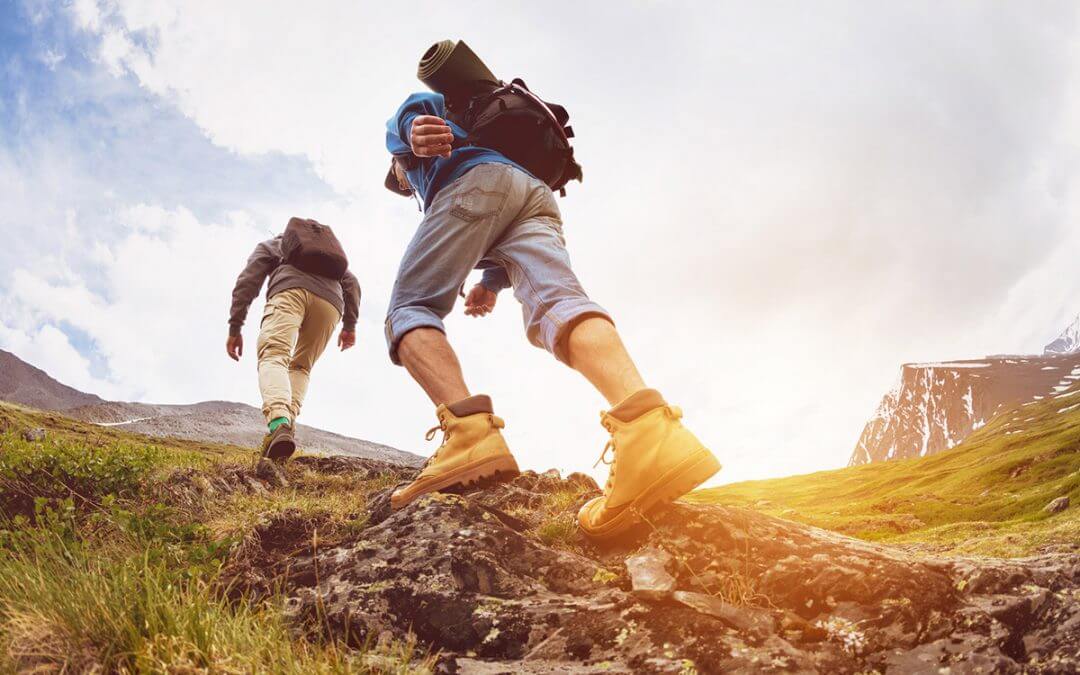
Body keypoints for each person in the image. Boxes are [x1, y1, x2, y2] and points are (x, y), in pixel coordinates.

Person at [383, 92, 721, 541]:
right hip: (534, 195)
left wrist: (411, 130)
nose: (402, 183)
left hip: (474, 183)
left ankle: (470, 436)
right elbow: (498, 218)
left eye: (398, 179)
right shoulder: (494, 155)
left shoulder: (413, 157)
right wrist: (491, 283)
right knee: (558, 303)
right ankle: (648, 430)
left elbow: (415, 105)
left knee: (411, 307)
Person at [226, 229, 360, 461]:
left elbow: (248, 280)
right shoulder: (329, 259)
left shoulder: (273, 246)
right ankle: (285, 429)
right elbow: (353, 284)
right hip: (331, 304)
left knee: (273, 355)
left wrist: (235, 327)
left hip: (290, 292)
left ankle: (280, 424)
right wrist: (349, 326)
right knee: (301, 367)